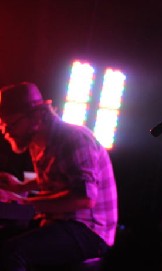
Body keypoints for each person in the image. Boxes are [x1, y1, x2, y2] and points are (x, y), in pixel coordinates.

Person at [0, 81, 119, 270]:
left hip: (89, 230)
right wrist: (19, 187)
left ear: (37, 117)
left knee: (12, 253)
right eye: (2, 126)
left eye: (11, 124)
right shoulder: (40, 142)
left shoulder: (73, 138)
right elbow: (58, 180)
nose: (6, 132)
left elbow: (83, 197)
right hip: (62, 222)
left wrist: (22, 203)